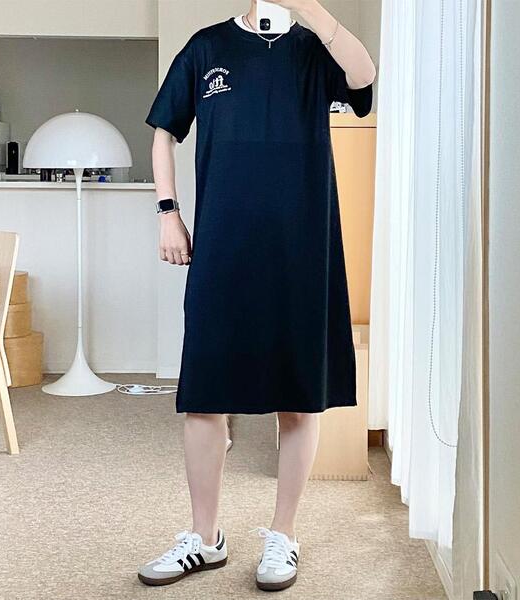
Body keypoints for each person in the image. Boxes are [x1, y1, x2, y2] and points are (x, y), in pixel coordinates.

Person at [138, 0, 375, 592]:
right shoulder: (207, 47)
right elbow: (164, 132)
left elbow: (363, 77)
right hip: (224, 244)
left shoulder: (313, 48)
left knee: (299, 395)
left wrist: (311, 9)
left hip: (302, 245)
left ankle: (284, 535)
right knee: (204, 393)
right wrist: (168, 212)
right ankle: (204, 538)